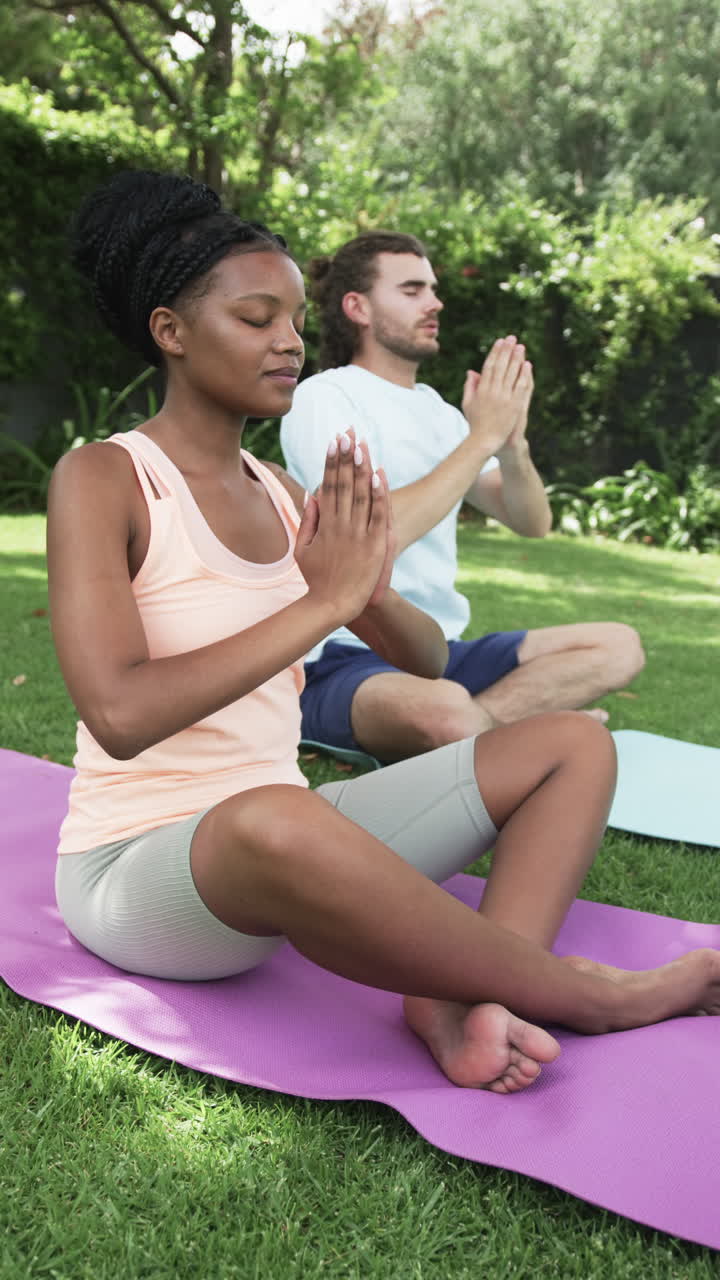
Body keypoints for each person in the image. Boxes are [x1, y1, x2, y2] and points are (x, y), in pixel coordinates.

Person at [47, 170, 720, 1100]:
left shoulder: (284, 496)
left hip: (288, 837)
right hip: (144, 873)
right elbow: (118, 712)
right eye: (255, 319)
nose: (288, 341)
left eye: (291, 319)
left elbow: (429, 661)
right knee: (273, 816)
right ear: (171, 331)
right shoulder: (105, 477)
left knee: (569, 745)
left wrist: (363, 587)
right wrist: (318, 608)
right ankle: (582, 995)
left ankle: (465, 1000)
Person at [280, 232, 645, 763]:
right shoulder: (326, 396)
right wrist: (479, 440)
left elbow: (531, 521)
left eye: (432, 289)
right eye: (411, 290)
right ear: (357, 307)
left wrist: (511, 446)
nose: (435, 303)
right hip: (344, 656)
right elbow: (368, 541)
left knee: (617, 647)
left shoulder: (441, 413)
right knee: (447, 712)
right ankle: (495, 730)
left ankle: (483, 730)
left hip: (441, 652)